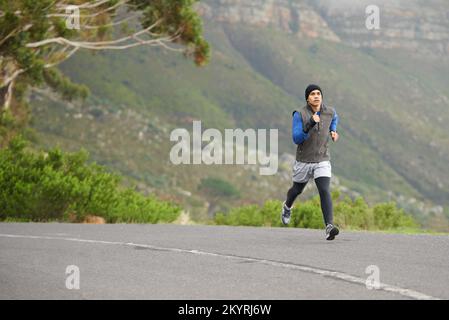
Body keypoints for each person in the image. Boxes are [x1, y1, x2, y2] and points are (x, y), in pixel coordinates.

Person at [281, 84, 340, 240]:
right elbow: (297, 138)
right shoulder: (299, 114)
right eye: (312, 94)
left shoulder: (329, 111)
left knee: (324, 190)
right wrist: (310, 124)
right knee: (296, 190)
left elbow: (334, 118)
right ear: (307, 98)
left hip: (322, 158)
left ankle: (329, 226)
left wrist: (333, 130)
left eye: (318, 93)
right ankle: (287, 206)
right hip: (304, 160)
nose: (316, 96)